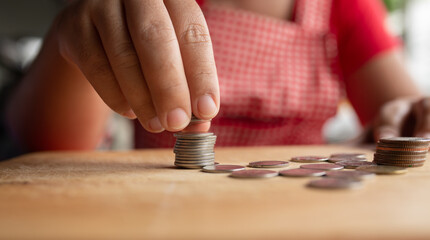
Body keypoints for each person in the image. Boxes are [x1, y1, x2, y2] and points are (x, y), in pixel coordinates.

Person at [4, 0, 429, 151]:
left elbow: (406, 121)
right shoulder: (151, 5)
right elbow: (44, 146)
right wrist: (70, 41)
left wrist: (416, 114)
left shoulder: (346, 5)